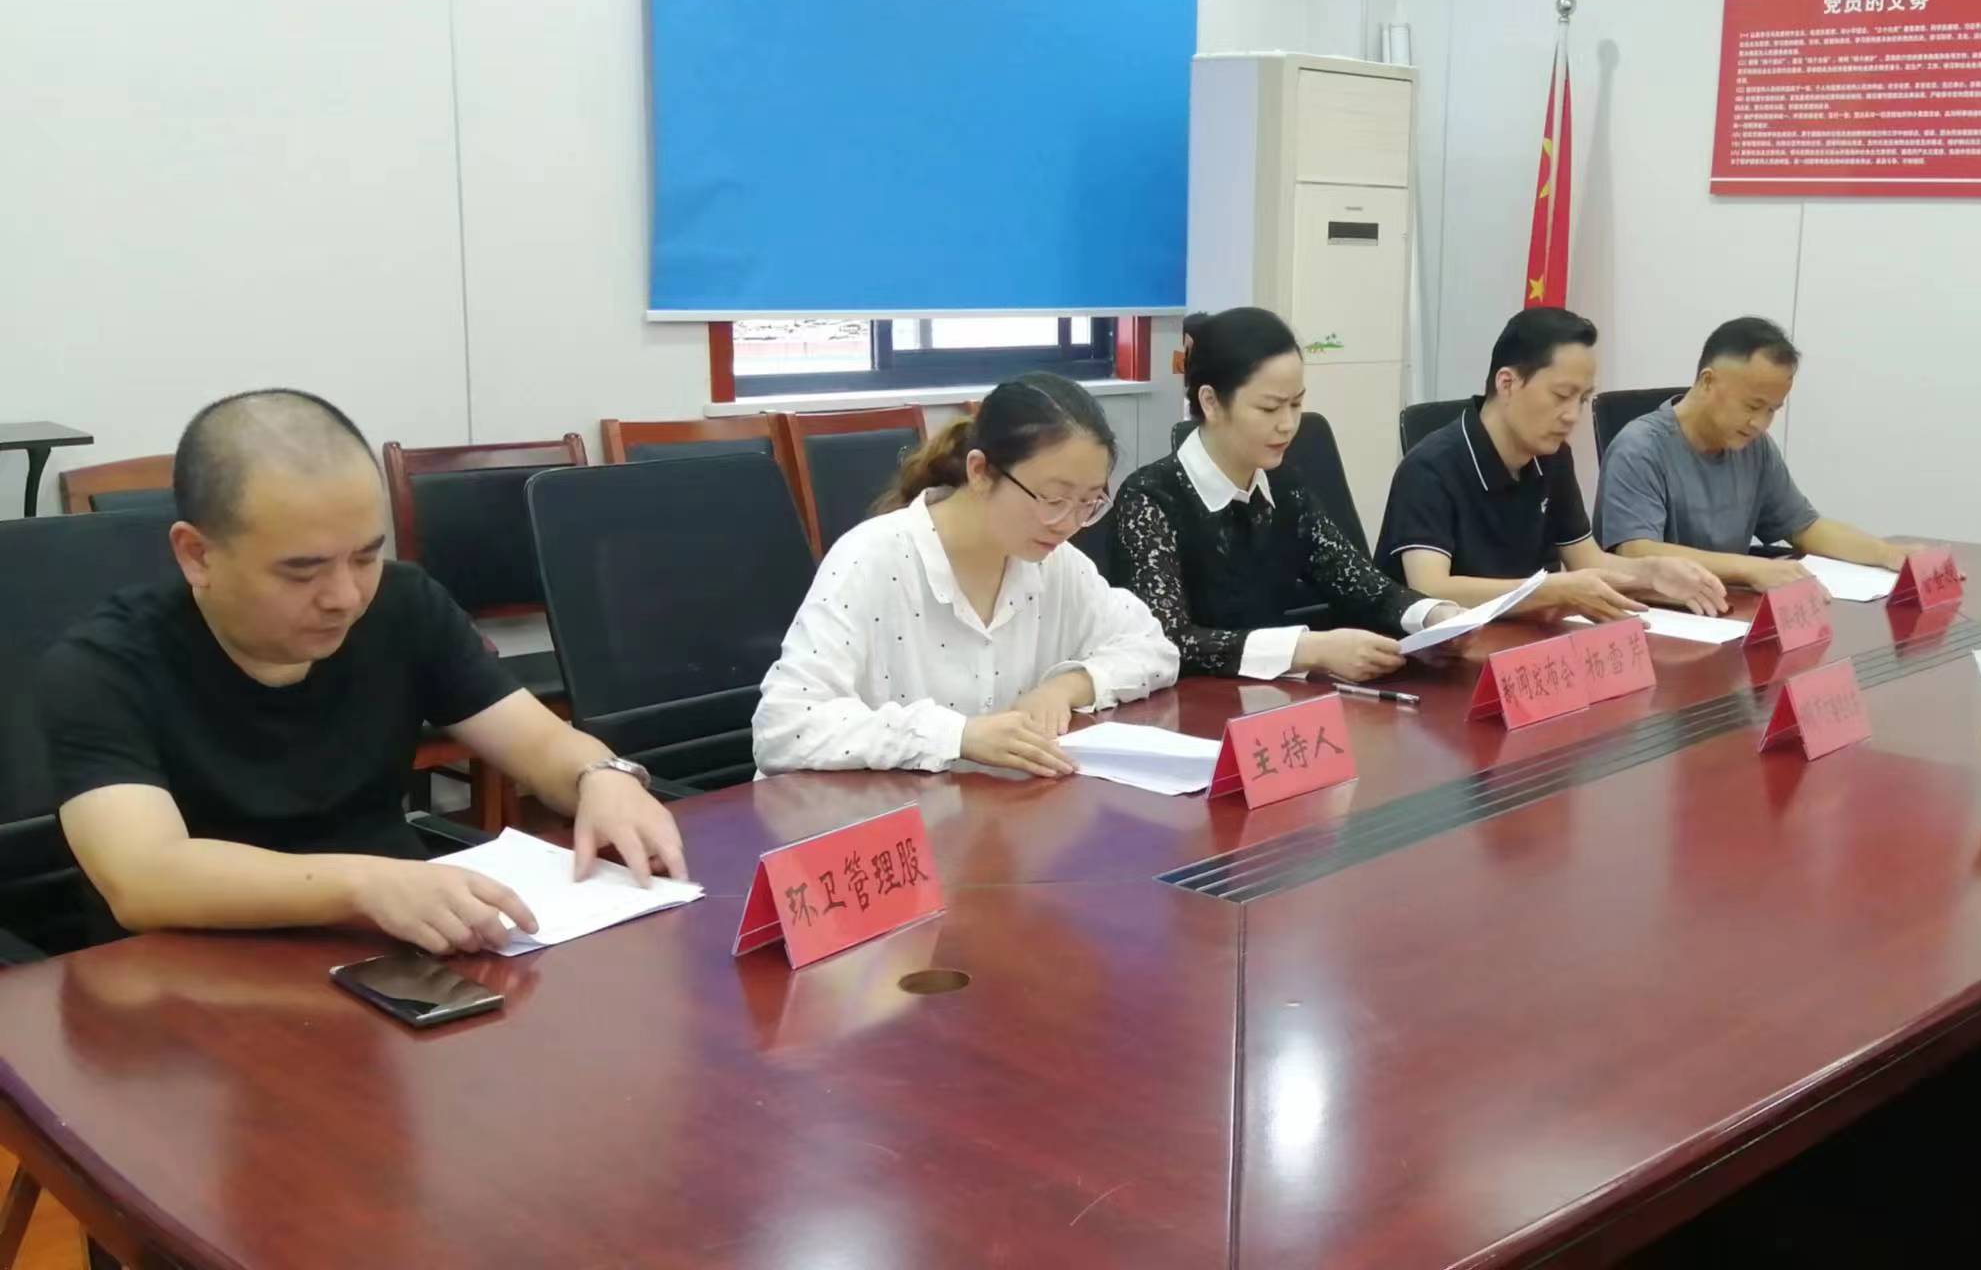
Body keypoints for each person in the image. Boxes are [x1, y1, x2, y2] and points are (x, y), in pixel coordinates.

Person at [39, 390, 685, 957]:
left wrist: (601, 776)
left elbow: (539, 742)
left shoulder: (404, 606)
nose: (345, 597)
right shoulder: (103, 667)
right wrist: (361, 884)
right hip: (192, 981)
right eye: (303, 570)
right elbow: (145, 877)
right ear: (197, 554)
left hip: (391, 954)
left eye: (366, 556)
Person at [753, 372, 1179, 780]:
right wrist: (957, 736)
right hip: (868, 816)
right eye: (1053, 499)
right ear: (980, 472)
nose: (1068, 524)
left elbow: (1153, 649)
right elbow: (784, 727)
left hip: (987, 811)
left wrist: (1067, 686)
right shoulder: (871, 559)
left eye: (1088, 503)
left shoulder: (1055, 562)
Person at [1106, 308, 1464, 681]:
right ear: (1210, 402)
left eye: (1296, 404)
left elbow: (1359, 583)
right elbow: (1168, 642)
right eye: (1269, 408)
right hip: (1186, 706)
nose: (1288, 424)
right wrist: (1309, 649)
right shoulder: (1149, 499)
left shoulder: (1283, 485)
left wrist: (1434, 616)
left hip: (1274, 700)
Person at [1376, 306, 1728, 622]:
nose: (1573, 415)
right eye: (1561, 396)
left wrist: (1652, 573)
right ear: (1507, 383)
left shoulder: (1553, 456)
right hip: (1438, 658)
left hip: (1521, 641)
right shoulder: (1430, 467)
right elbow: (1431, 588)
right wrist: (1547, 591)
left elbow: (1587, 562)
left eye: (1583, 399)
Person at [1595, 317, 1912, 591]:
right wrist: (1750, 568)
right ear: (1707, 382)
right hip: (1662, 616)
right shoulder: (1640, 447)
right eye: (1752, 406)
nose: (1760, 423)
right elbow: (1637, 553)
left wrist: (1887, 554)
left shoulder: (1754, 446)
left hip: (1727, 609)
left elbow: (1805, 528)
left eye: (1772, 410)